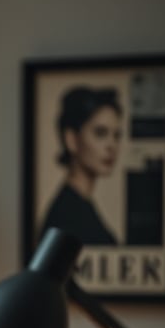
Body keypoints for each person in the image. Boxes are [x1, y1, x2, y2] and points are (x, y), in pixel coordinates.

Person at [37, 85, 122, 245]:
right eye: (100, 133)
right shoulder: (66, 215)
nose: (112, 145)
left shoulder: (81, 206)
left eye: (116, 135)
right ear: (72, 139)